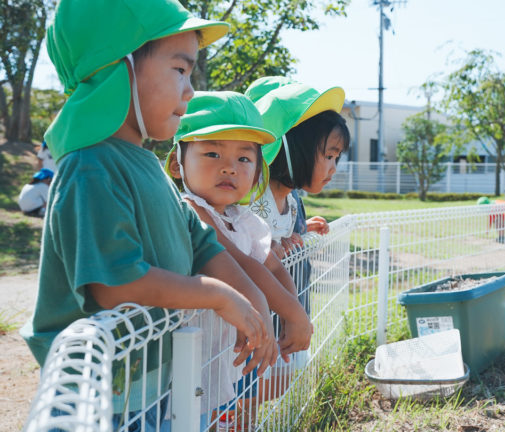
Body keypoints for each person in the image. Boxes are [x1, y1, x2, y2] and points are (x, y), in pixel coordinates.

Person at [20, 1, 277, 430]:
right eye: (180, 70)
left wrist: (258, 302)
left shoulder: (140, 162)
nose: (190, 90)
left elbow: (201, 244)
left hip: (150, 382)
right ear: (118, 69)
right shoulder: (92, 167)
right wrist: (219, 295)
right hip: (103, 399)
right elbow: (113, 284)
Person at [163, 91, 313, 419]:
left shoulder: (243, 219)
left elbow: (272, 266)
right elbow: (240, 264)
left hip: (224, 354)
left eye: (244, 159)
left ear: (258, 171)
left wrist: (294, 309)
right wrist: (291, 314)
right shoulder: (191, 211)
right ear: (177, 163)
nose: (229, 168)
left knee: (226, 416)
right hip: (189, 360)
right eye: (213, 153)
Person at [244, 77, 349, 263]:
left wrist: (298, 231)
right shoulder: (251, 194)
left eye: (337, 158)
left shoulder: (291, 202)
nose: (333, 169)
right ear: (294, 150)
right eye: (329, 156)